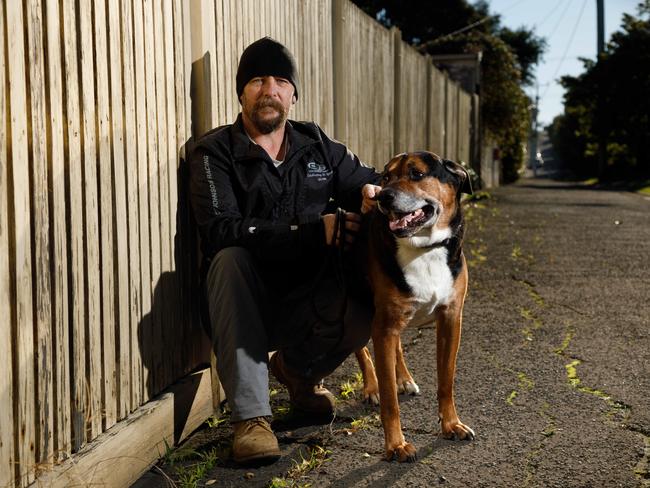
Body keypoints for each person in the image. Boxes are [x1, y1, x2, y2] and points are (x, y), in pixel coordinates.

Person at [189, 37, 381, 465]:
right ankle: (252, 418)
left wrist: (372, 194)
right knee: (229, 258)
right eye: (257, 80)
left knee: (367, 295)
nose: (269, 90)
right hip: (243, 304)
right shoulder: (214, 152)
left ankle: (299, 374)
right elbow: (221, 230)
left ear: (293, 93)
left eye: (280, 81)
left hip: (307, 299)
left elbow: (370, 182)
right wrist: (311, 232)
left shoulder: (320, 149)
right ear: (241, 92)